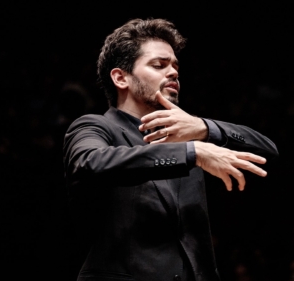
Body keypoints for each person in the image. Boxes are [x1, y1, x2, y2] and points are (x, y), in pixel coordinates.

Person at [63, 18, 279, 281]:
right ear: (121, 78)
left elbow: (269, 156)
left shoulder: (190, 135)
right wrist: (193, 152)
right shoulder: (96, 126)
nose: (174, 72)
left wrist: (204, 128)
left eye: (176, 65)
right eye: (159, 65)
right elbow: (89, 163)